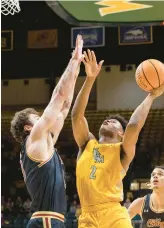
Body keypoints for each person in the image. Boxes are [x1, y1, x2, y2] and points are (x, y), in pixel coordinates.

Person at [71, 49, 164, 228]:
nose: (108, 120)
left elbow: (133, 126)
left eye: (115, 122)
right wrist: (90, 78)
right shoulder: (87, 144)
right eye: (107, 120)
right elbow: (76, 116)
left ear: (122, 134)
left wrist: (152, 96)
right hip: (87, 217)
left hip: (114, 215)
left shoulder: (122, 151)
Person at [10, 35, 84, 228]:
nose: (42, 117)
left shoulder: (46, 141)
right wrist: (73, 61)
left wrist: (76, 71)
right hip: (46, 219)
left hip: (50, 219)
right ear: (28, 127)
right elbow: (58, 96)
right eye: (37, 117)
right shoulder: (34, 138)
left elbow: (65, 105)